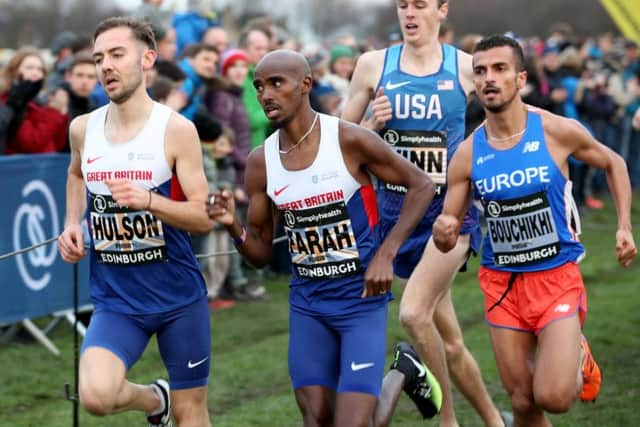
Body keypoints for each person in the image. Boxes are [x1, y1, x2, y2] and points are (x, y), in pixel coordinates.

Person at [207, 49, 435, 427]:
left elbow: (421, 184)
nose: (265, 94)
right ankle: (405, 371)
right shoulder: (261, 162)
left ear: (305, 85)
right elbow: (261, 254)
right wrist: (234, 224)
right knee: (318, 422)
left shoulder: (348, 139)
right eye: (259, 86)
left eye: (276, 83)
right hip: (309, 303)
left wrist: (386, 254)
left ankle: (401, 372)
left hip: (360, 298)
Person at [433, 34, 637, 426]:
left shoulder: (556, 131)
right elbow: (449, 225)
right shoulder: (468, 153)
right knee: (524, 402)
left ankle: (577, 351)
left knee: (553, 397)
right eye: (480, 71)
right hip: (502, 284)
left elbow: (615, 164)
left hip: (556, 277)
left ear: (520, 78)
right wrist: (444, 230)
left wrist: (624, 227)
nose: (488, 78)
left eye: (499, 69)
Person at [342, 1, 507, 426]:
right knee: (448, 342)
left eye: (420, 4)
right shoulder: (372, 65)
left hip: (448, 217)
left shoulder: (468, 67)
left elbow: (510, 124)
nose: (409, 13)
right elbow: (341, 141)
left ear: (442, 10)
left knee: (413, 315)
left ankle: (447, 421)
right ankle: (494, 421)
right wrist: (370, 127)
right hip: (397, 216)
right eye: (402, 5)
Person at [57, 16, 214, 427]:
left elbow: (202, 216)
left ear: (147, 59)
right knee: (95, 395)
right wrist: (73, 222)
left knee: (191, 414)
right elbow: (76, 174)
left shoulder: (177, 130)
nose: (105, 65)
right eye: (98, 58)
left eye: (116, 54)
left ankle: (173, 404)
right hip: (117, 300)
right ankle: (153, 400)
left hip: (178, 298)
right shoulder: (82, 129)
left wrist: (149, 201)